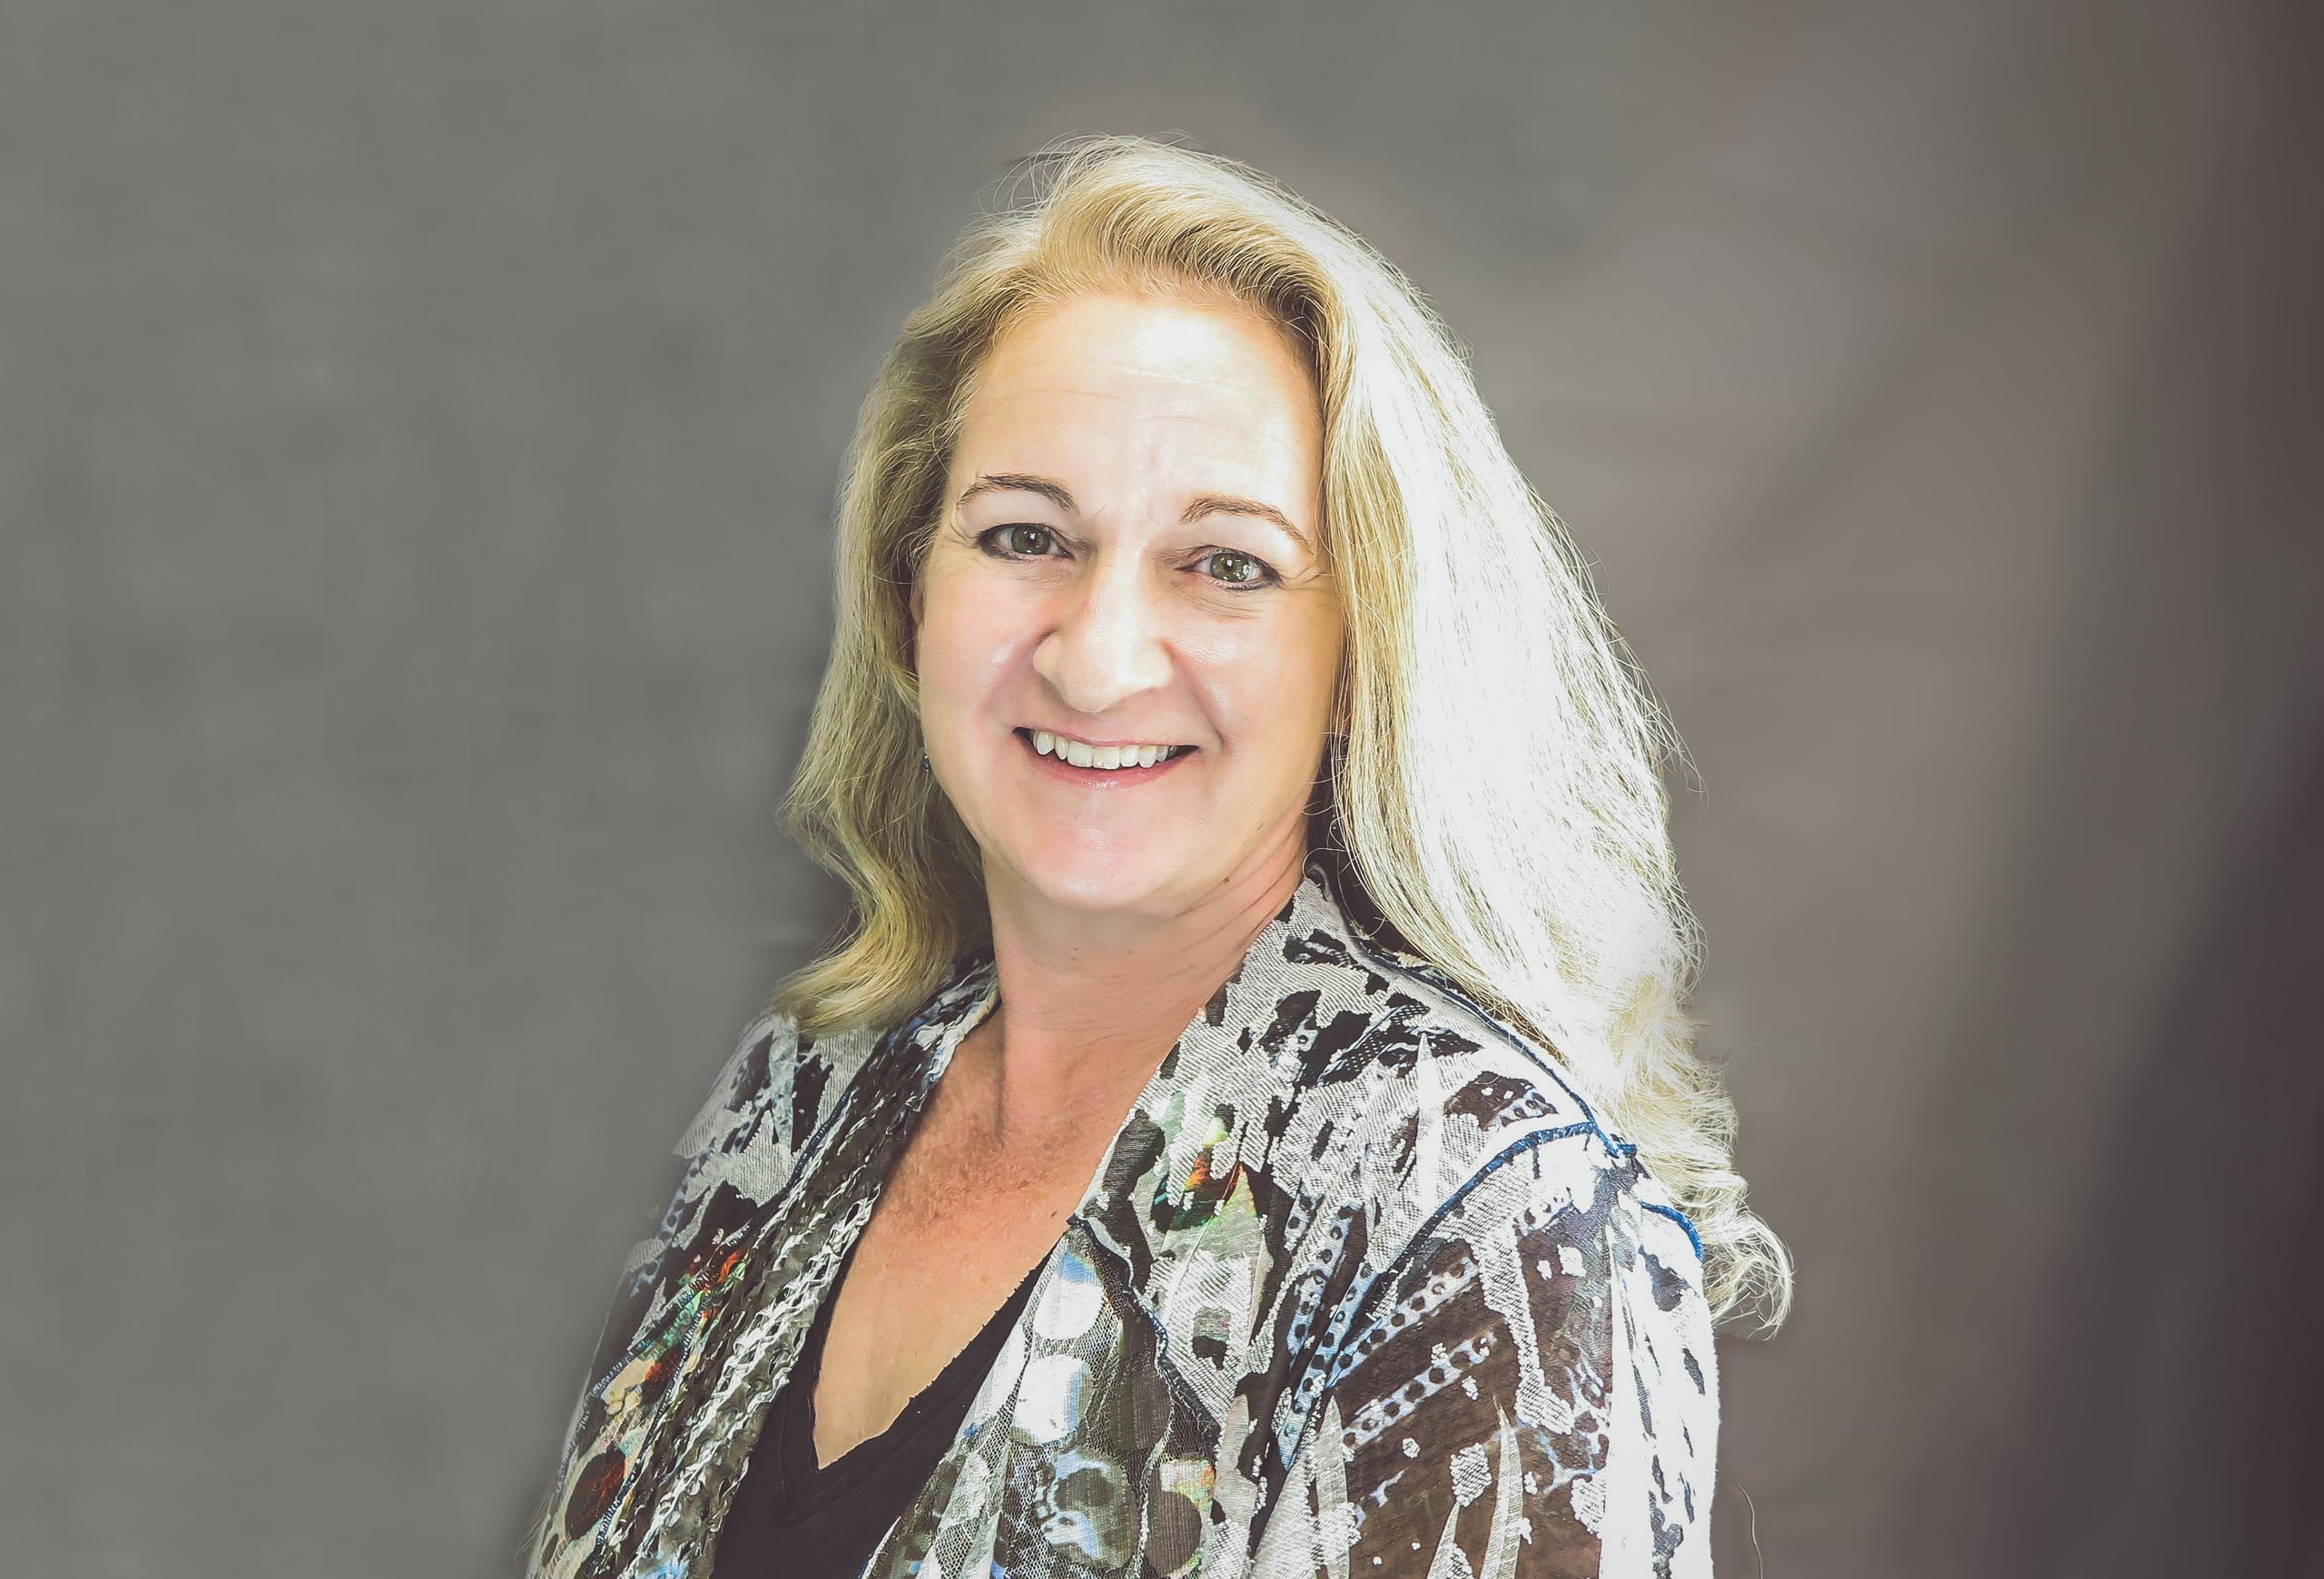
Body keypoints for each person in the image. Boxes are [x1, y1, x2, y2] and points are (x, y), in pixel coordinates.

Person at [519, 133, 1791, 1579]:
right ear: (907, 590)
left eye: (1227, 564)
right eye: (1024, 536)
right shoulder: (803, 1089)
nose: (1101, 656)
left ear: (1365, 652)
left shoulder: (1494, 1228)